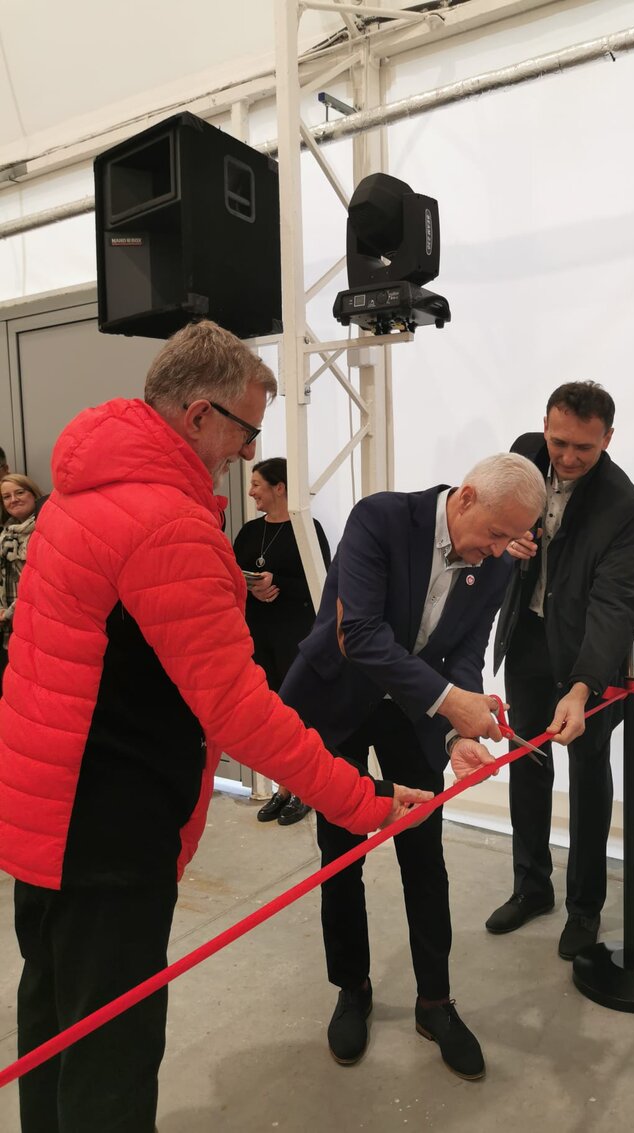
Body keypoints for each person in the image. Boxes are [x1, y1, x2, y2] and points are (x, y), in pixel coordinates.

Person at [0, 319, 431, 1133]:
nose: (248, 451)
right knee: (111, 1058)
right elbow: (239, 710)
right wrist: (364, 800)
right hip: (109, 829)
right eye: (245, 429)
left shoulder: (78, 495)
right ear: (199, 414)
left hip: (43, 812)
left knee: (54, 1022)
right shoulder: (166, 520)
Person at [281, 453, 546, 1081]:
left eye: (511, 539)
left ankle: (435, 1001)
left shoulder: (497, 563)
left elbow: (466, 652)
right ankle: (352, 987)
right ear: (467, 497)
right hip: (340, 700)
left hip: (414, 712)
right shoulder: (379, 519)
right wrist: (452, 703)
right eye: (496, 533)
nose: (499, 550)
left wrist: (457, 733)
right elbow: (361, 635)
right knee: (340, 852)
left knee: (425, 856)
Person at [485, 381, 634, 960]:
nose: (568, 457)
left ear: (608, 438)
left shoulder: (622, 504)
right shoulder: (523, 453)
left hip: (587, 657)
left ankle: (584, 909)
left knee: (588, 776)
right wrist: (507, 545)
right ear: (544, 427)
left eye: (584, 447)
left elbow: (617, 603)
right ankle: (531, 886)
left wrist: (583, 687)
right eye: (559, 443)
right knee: (527, 762)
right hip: (528, 639)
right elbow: (485, 521)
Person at [233, 457, 331, 827]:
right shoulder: (249, 532)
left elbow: (322, 583)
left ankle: (306, 790)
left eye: (257, 484)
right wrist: (252, 588)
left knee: (300, 716)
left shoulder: (307, 529)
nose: (251, 492)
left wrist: (278, 584)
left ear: (280, 488)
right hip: (260, 637)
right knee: (272, 715)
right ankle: (284, 787)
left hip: (297, 636)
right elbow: (230, 574)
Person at [0, 473, 43, 689]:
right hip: (9, 624)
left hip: (35, 619)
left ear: (33, 494)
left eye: (19, 492)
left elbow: (37, 582)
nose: (13, 500)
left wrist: (7, 613)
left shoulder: (44, 530)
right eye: (6, 497)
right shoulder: (5, 534)